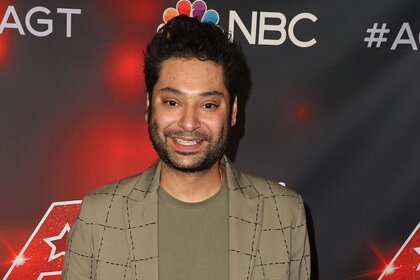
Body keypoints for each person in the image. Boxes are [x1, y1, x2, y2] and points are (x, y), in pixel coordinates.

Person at [62, 15, 310, 280]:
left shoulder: (284, 215)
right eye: (172, 102)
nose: (189, 123)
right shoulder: (98, 215)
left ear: (233, 111)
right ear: (149, 106)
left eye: (208, 105)